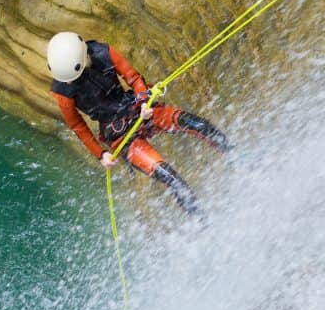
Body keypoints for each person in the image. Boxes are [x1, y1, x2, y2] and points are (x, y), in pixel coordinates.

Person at [46, 31, 230, 215]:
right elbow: (77, 125)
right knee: (170, 178)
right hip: (119, 136)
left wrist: (144, 103)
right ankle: (204, 222)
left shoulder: (104, 52)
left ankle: (233, 154)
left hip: (137, 108)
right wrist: (100, 154)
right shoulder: (63, 91)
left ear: (84, 58)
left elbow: (133, 78)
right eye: (66, 80)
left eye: (72, 79)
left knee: (194, 124)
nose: (68, 83)